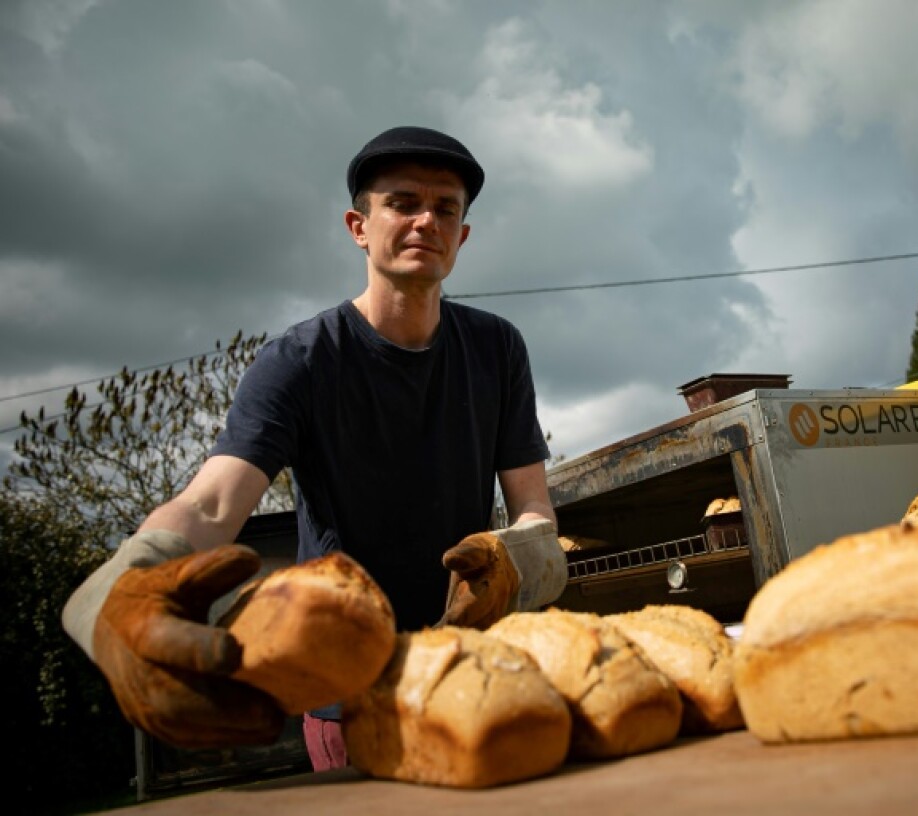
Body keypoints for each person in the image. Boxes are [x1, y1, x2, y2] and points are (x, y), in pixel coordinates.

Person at [60, 126, 566, 770]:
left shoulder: (498, 348)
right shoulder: (297, 361)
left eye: (445, 209)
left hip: (467, 671)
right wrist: (124, 584)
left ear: (462, 237)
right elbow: (214, 504)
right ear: (359, 226)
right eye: (402, 203)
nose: (425, 221)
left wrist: (512, 556)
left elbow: (534, 510)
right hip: (345, 692)